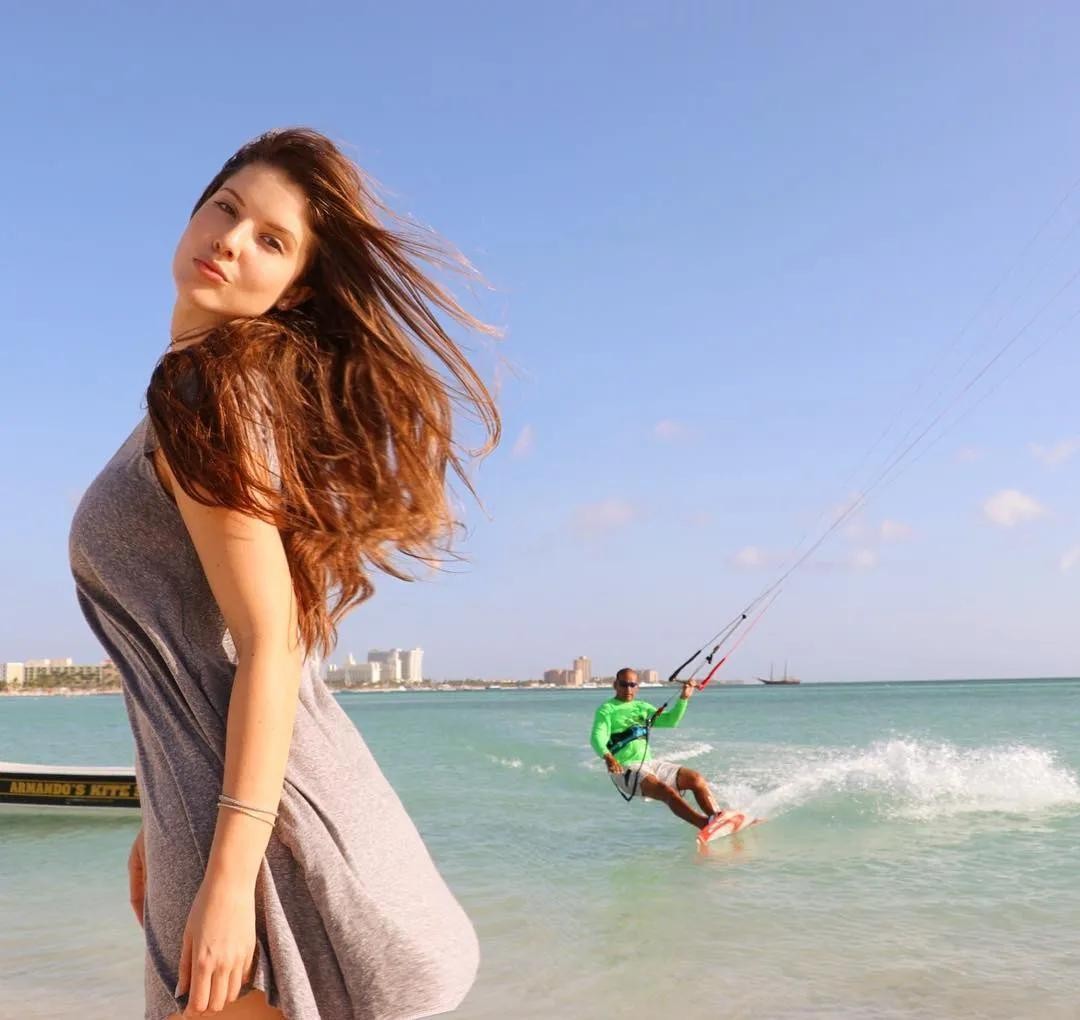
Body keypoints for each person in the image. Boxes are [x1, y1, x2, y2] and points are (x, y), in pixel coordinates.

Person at [69, 128, 499, 1020]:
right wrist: (161, 820)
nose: (230, 240)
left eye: (271, 240)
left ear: (295, 287)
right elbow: (201, 644)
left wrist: (228, 881)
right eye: (225, 208)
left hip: (252, 827)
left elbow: (273, 641)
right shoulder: (216, 391)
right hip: (225, 804)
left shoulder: (205, 392)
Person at [590, 668, 724, 840]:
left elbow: (670, 721)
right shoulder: (606, 710)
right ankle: (704, 824)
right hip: (624, 769)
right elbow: (597, 737)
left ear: (637, 687)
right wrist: (607, 756)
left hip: (649, 764)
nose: (628, 689)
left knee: (695, 779)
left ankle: (717, 817)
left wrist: (683, 698)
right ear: (615, 685)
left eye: (632, 685)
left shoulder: (642, 707)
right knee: (665, 791)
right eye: (623, 684)